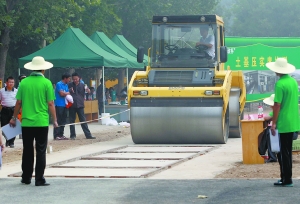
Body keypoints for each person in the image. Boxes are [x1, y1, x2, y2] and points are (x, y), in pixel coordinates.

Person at [9, 56, 58, 186]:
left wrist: (14, 118)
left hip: (27, 122)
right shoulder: (47, 83)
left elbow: (18, 102)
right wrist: (55, 120)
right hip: (41, 122)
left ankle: (26, 177)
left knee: (27, 149)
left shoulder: (24, 83)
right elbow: (51, 104)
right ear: (43, 69)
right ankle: (39, 178)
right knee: (41, 150)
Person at [266, 58, 300, 187]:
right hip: (293, 122)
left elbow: (277, 104)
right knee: (287, 151)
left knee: (283, 153)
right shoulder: (292, 82)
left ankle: (287, 179)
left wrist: (273, 122)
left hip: (284, 123)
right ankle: (286, 177)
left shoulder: (280, 84)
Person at [68, 72, 96, 140]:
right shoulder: (69, 85)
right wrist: (69, 90)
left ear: (79, 78)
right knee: (72, 120)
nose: (75, 80)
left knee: (83, 120)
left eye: (76, 79)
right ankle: (72, 135)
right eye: (73, 79)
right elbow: (66, 92)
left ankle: (88, 135)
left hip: (80, 105)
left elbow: (89, 92)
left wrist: (88, 90)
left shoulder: (83, 85)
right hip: (72, 105)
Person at [0, 76, 18, 148]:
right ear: (6, 83)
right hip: (4, 110)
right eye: (9, 82)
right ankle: (8, 140)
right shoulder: (1, 91)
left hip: (13, 110)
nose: (11, 83)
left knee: (13, 126)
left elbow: (18, 101)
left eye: (12, 82)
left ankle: (11, 142)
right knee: (4, 126)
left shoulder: (16, 91)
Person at [54, 73, 71, 140]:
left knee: (63, 120)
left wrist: (65, 93)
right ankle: (56, 135)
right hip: (59, 104)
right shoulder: (59, 84)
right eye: (69, 78)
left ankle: (61, 134)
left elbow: (67, 93)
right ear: (65, 78)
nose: (69, 80)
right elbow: (61, 94)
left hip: (65, 104)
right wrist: (66, 93)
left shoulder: (66, 85)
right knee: (58, 119)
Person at [262, 94, 277, 163]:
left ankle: (271, 156)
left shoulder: (277, 110)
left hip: (286, 131)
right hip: (292, 130)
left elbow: (266, 118)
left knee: (268, 132)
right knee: (268, 130)